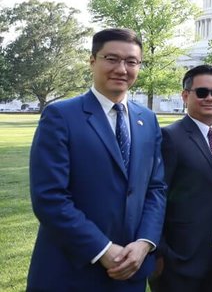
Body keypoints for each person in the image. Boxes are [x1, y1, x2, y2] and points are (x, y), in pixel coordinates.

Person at [27, 28, 167, 291]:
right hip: (71, 272)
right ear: (92, 61)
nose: (121, 69)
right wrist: (102, 249)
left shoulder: (147, 120)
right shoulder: (60, 116)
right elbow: (49, 197)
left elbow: (155, 188)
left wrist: (145, 243)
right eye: (111, 59)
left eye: (131, 61)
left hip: (131, 270)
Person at [149, 65, 212, 292]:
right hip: (178, 256)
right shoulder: (169, 137)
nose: (210, 98)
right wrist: (159, 251)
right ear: (185, 96)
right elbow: (155, 196)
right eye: (202, 92)